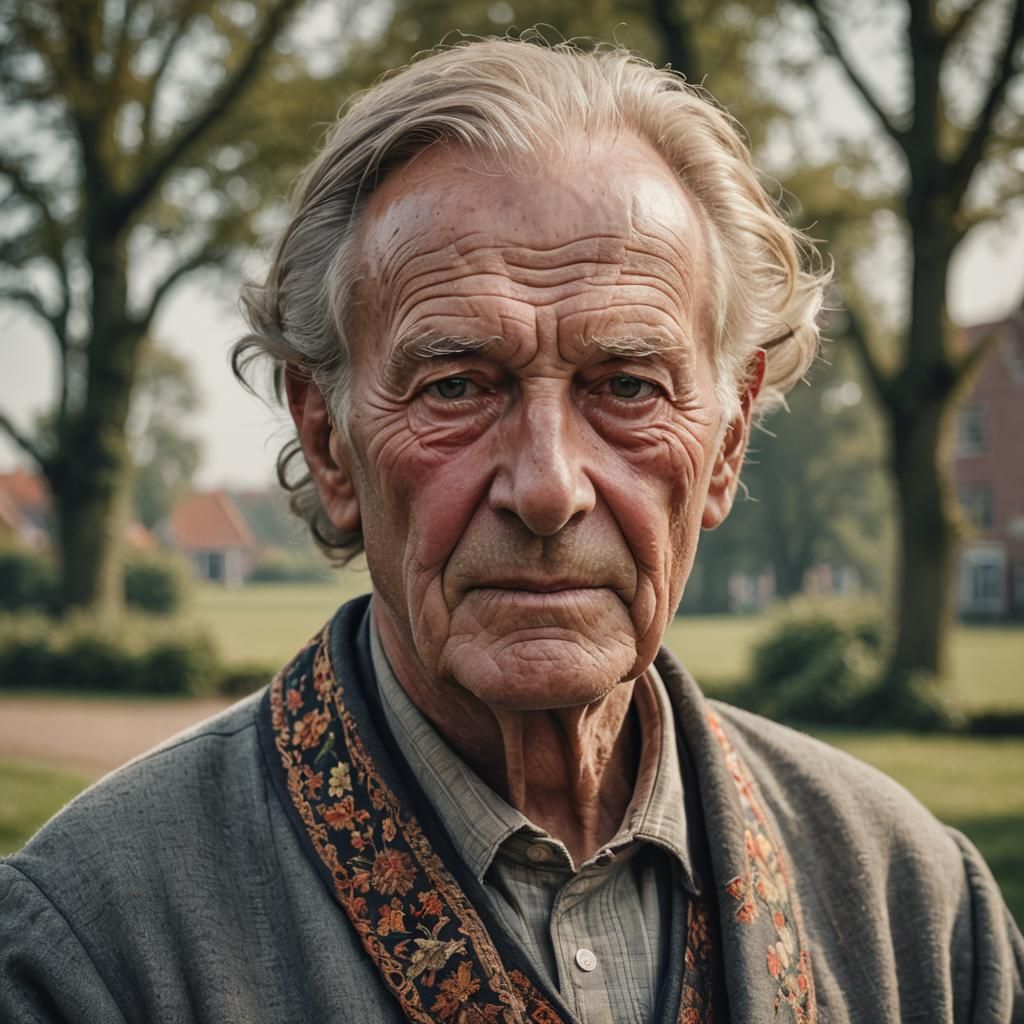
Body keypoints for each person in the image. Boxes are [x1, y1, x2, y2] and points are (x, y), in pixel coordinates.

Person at [2, 37, 1021, 1024]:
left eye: (626, 385)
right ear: (326, 435)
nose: (547, 487)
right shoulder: (92, 945)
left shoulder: (918, 913)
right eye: (456, 385)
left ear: (727, 439)